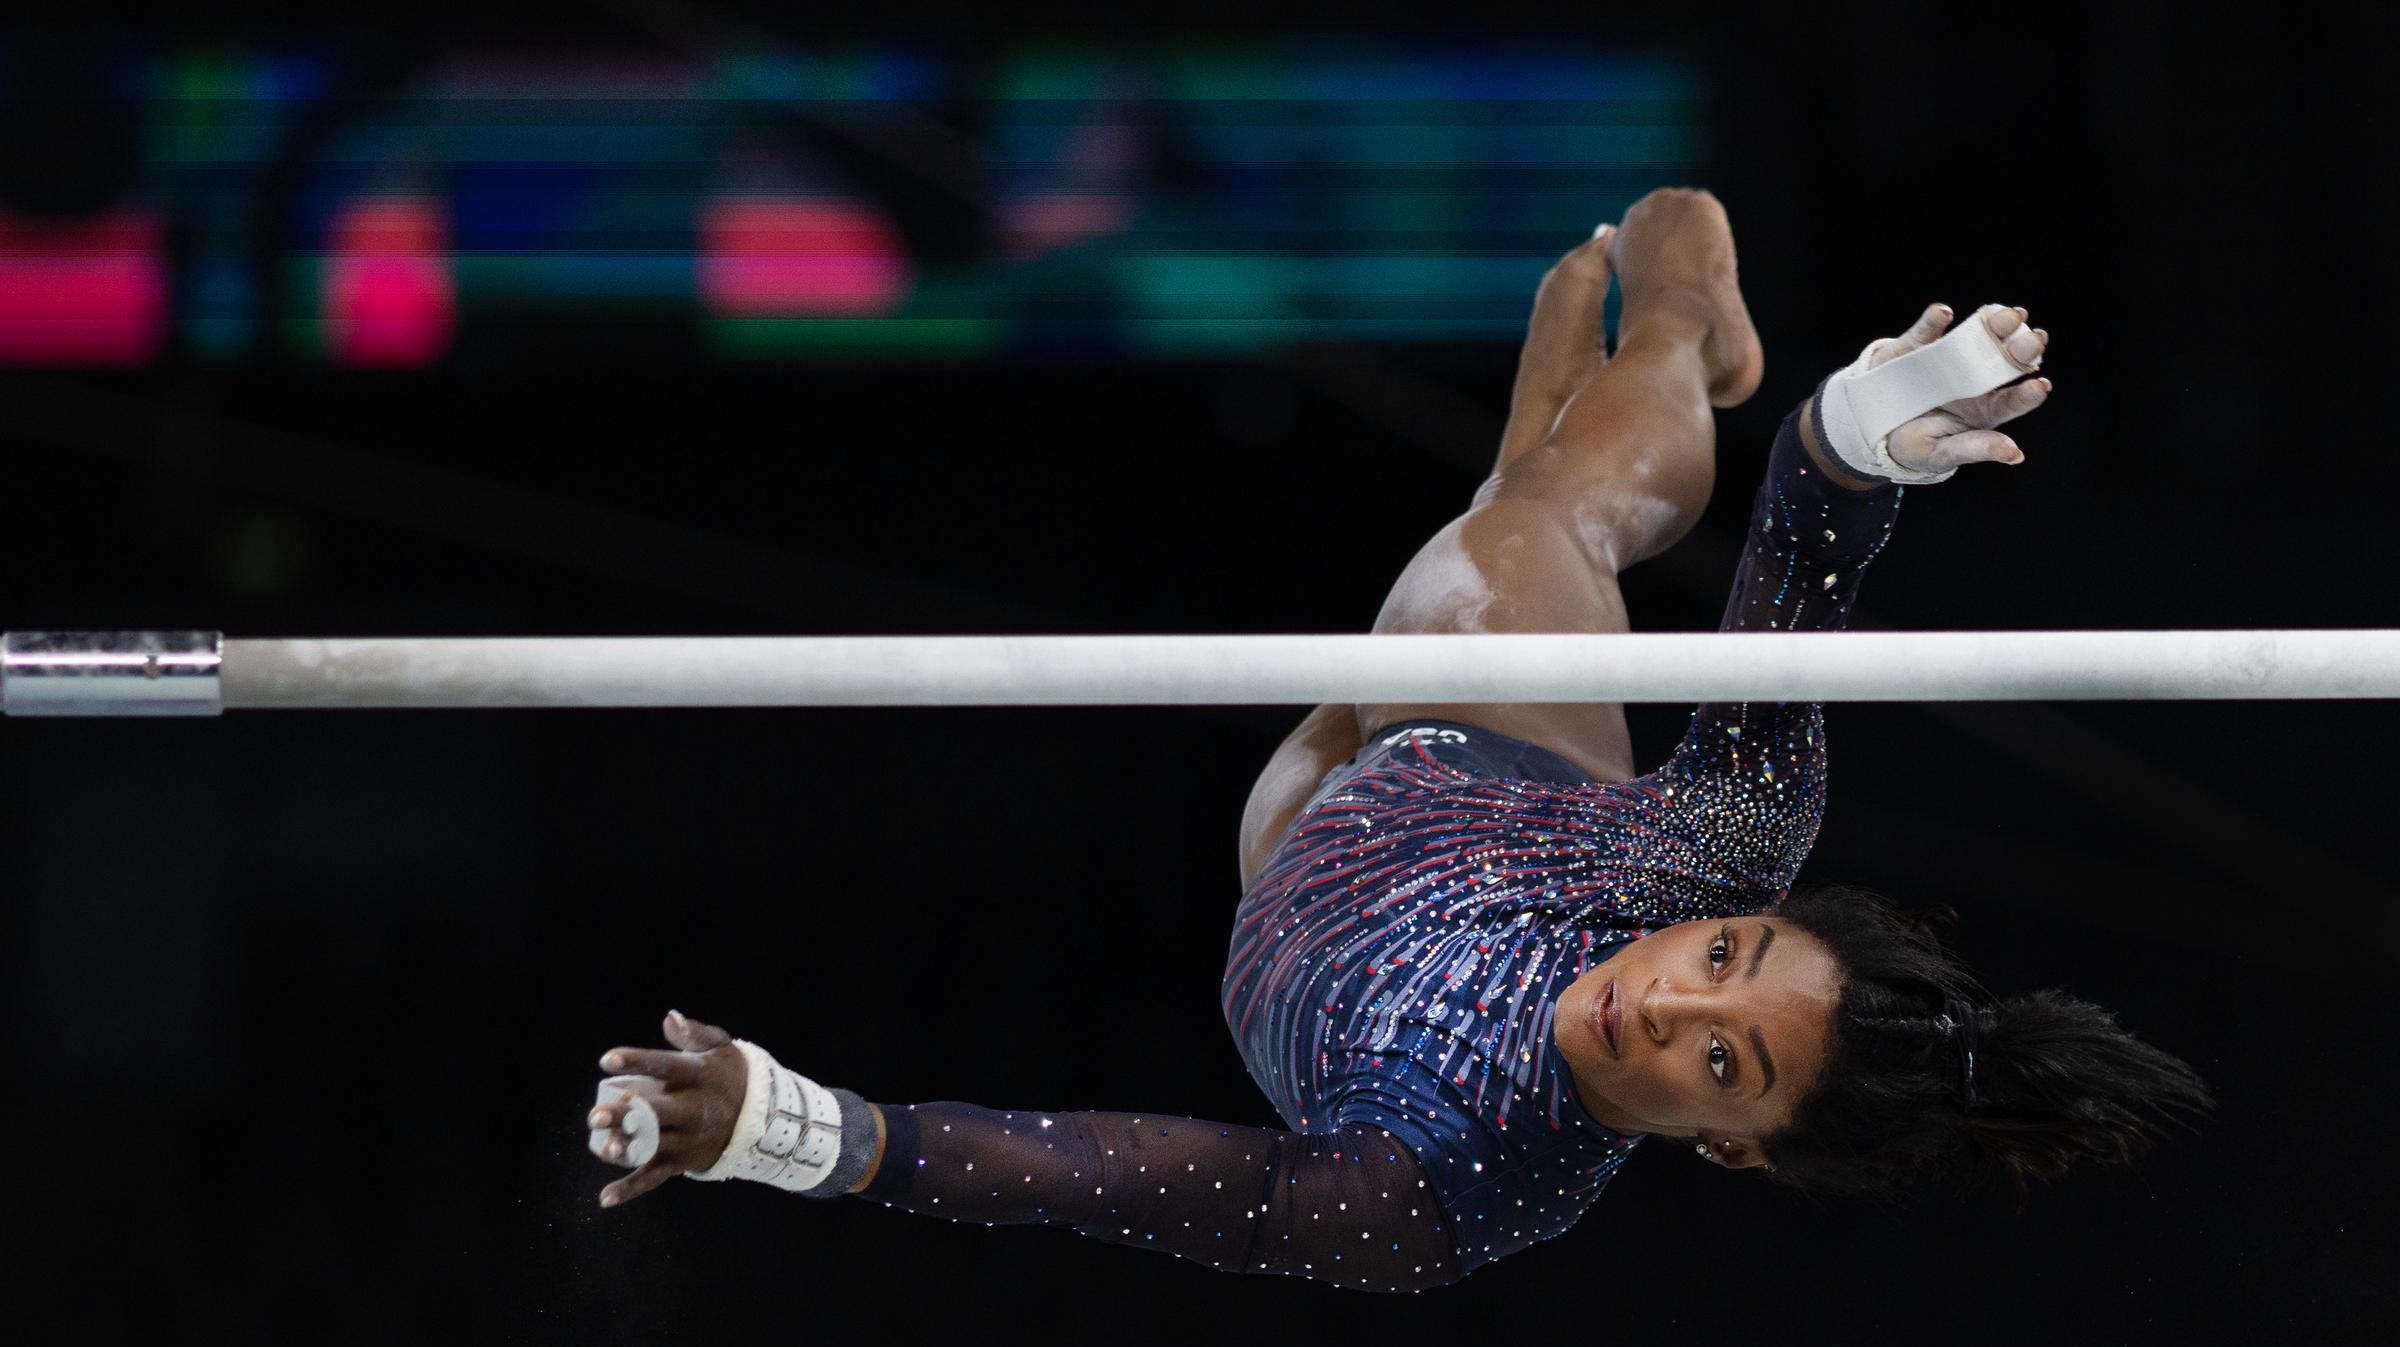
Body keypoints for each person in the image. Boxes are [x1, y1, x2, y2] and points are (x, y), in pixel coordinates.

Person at [582, 188, 2214, 1291]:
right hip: (1485, 755)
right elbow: (1798, 565)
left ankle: (1544, 440)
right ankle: (1683, 333)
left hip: (1295, 859)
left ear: (1732, 1144)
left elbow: (1108, 1172)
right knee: (1529, 533)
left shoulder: (1456, 1193)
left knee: (1495, 521)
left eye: (1724, 1058)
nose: (1659, 991)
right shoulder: (1715, 842)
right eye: (1723, 957)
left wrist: (798, 1131)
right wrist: (1867, 431)